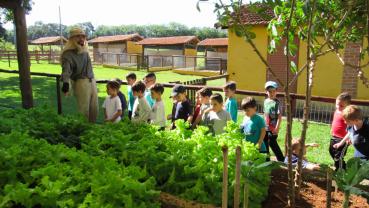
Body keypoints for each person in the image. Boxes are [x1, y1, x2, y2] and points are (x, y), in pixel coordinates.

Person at [60, 27, 98, 122]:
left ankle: (92, 132)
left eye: (83, 36)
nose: (81, 39)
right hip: (81, 83)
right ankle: (83, 132)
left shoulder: (84, 51)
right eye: (78, 36)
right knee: (84, 112)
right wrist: (65, 83)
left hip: (92, 81)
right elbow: (66, 70)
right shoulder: (67, 54)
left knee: (94, 110)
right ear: (72, 39)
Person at [329, 92, 351, 170]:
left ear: (347, 106)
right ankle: (341, 166)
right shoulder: (337, 111)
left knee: (339, 156)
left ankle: (341, 171)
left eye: (341, 105)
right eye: (337, 104)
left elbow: (350, 128)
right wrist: (332, 128)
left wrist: (349, 138)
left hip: (343, 139)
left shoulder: (347, 115)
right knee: (331, 151)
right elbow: (335, 121)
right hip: (334, 136)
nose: (338, 106)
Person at [263, 81, 284, 162]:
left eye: (273, 91)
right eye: (269, 91)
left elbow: (279, 117)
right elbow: (265, 114)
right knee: (265, 143)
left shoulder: (277, 103)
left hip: (273, 129)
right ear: (266, 92)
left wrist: (277, 128)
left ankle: (281, 159)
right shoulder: (265, 101)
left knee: (273, 144)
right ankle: (267, 159)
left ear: (276, 92)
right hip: (265, 128)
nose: (271, 93)